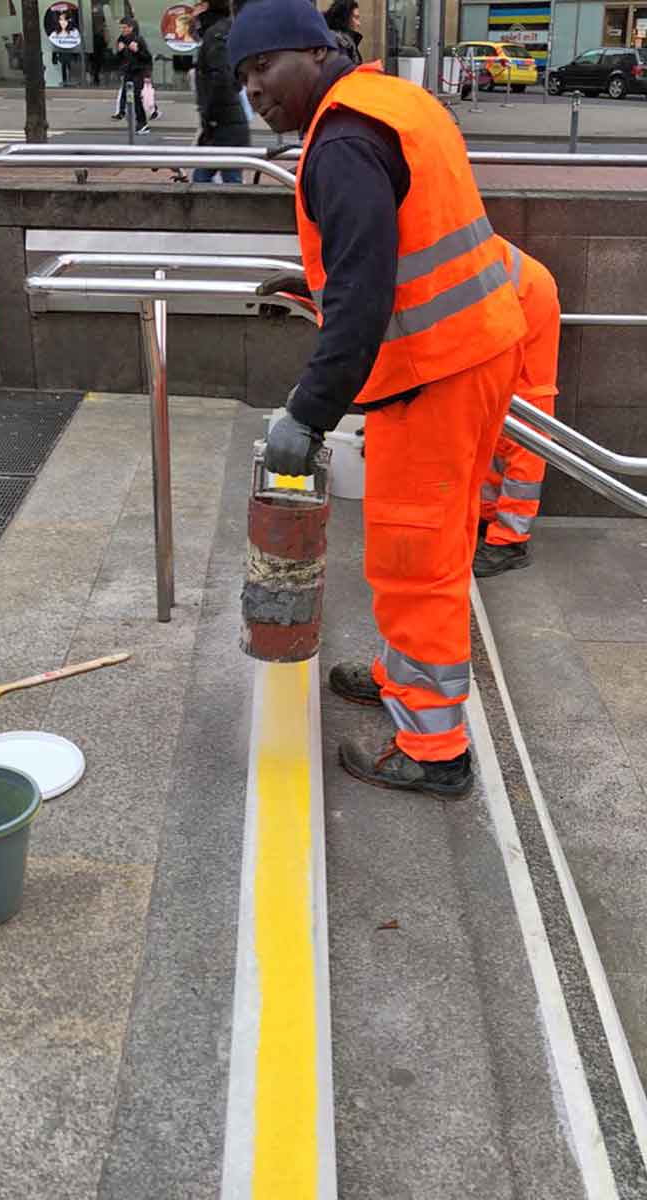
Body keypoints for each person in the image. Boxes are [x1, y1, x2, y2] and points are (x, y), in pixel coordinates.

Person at [231, 0, 527, 799]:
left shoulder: (342, 145)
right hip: (479, 349)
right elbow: (393, 248)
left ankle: (434, 750)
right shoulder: (388, 100)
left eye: (262, 68)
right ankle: (405, 680)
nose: (254, 92)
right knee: (439, 541)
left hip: (433, 374)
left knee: (414, 557)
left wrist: (308, 412)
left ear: (310, 51)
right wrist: (313, 287)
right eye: (242, 78)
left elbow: (364, 297)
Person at [475, 239, 560, 577]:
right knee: (496, 422)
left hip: (525, 299)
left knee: (526, 423)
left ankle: (511, 541)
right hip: (505, 296)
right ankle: (489, 518)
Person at [192, 0, 250, 183]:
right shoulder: (221, 30)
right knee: (220, 176)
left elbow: (222, 77)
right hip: (224, 121)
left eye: (200, 4)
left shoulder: (216, 34)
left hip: (223, 123)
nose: (194, 9)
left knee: (208, 178)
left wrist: (210, 115)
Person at [112, 17, 153, 132]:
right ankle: (129, 117)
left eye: (125, 27)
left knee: (136, 96)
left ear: (131, 28)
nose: (123, 30)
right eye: (122, 28)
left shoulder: (138, 40)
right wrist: (119, 52)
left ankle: (142, 123)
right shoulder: (121, 39)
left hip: (139, 72)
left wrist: (137, 51)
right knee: (127, 97)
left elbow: (147, 58)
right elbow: (118, 59)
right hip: (127, 72)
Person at [324, 0, 363, 64]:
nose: (359, 24)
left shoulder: (346, 42)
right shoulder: (340, 44)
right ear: (345, 18)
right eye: (356, 18)